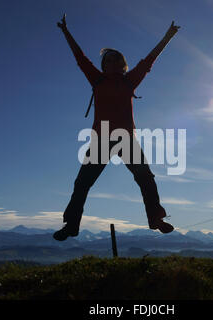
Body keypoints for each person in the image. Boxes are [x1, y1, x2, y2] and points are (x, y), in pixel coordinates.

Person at [54, 14, 180, 241]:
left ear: (121, 64)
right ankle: (71, 226)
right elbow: (80, 57)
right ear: (103, 66)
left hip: (126, 139)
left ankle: (156, 219)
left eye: (113, 59)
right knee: (82, 184)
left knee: (146, 179)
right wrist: (65, 31)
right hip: (101, 140)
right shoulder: (97, 79)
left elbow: (149, 60)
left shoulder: (130, 80)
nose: (109, 62)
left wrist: (168, 36)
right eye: (106, 60)